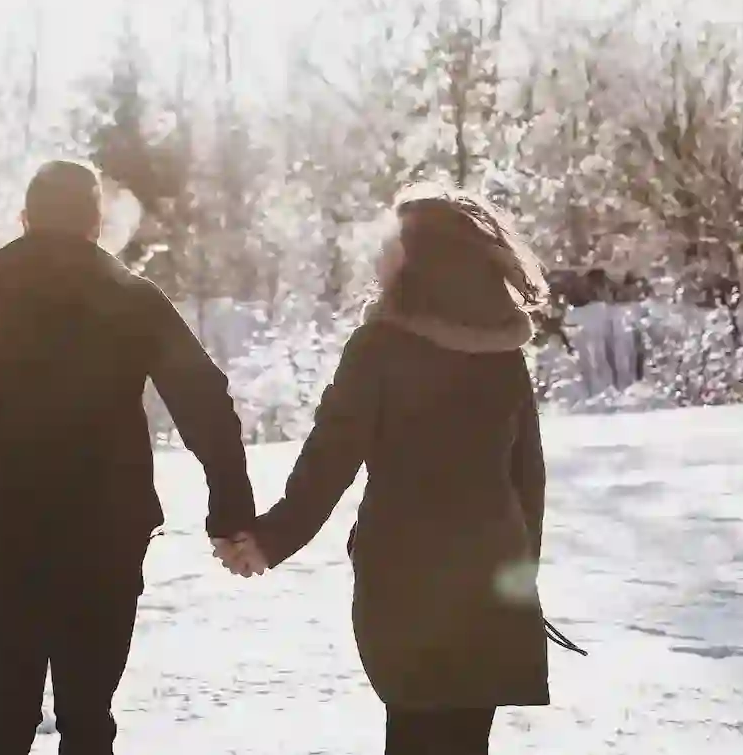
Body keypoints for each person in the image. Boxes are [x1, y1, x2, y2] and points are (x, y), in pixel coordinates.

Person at [0, 160, 258, 755]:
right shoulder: (132, 302)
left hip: (3, 537)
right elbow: (205, 402)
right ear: (95, 224)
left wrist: (6, 432)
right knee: (88, 722)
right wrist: (230, 507)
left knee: (3, 725)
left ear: (24, 220)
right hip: (106, 539)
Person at [216, 185, 552, 755]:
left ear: (422, 256)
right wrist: (520, 576)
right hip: (489, 580)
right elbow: (529, 480)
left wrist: (270, 539)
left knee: (415, 735)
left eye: (392, 242)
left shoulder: (380, 347)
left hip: (406, 579)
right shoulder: (503, 353)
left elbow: (330, 459)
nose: (379, 254)